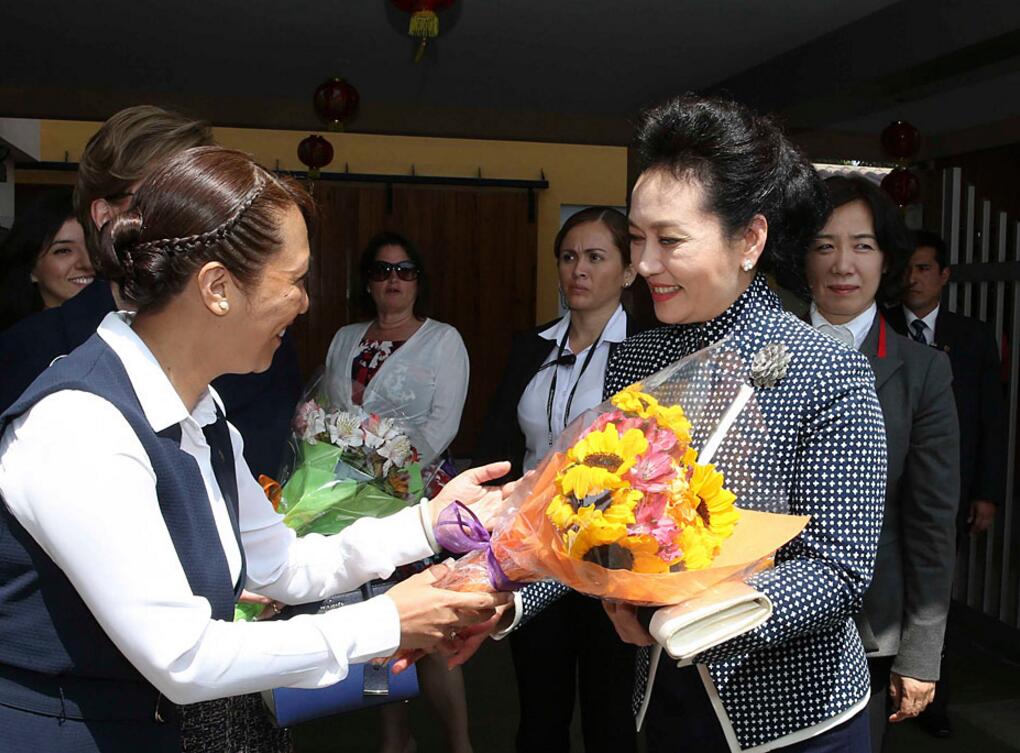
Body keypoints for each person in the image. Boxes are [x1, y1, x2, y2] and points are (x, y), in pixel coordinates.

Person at [0, 146, 513, 753]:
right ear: (217, 287)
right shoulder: (82, 425)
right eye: (294, 280)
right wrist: (385, 621)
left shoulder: (200, 412)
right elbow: (183, 656)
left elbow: (283, 565)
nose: (305, 302)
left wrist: (434, 523)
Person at [470, 95, 888, 753]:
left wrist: (687, 615)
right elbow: (595, 515)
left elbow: (836, 569)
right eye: (637, 239)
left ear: (749, 239)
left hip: (793, 716)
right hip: (662, 702)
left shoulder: (826, 369)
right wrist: (506, 587)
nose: (645, 265)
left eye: (670, 240)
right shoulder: (637, 356)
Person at [0, 105, 301, 479]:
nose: (194, 219)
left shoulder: (261, 337)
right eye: (168, 198)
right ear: (106, 215)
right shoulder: (28, 354)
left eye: (204, 200)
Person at [473, 206, 641, 753]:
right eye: (569, 257)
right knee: (539, 708)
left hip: (611, 559)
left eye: (596, 257)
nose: (579, 271)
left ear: (630, 269)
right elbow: (501, 443)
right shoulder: (532, 346)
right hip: (533, 550)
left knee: (609, 711)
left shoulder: (650, 349)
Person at [804, 175, 960, 751]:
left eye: (862, 245)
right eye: (824, 245)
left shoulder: (922, 371)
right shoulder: (764, 358)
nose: (843, 264)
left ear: (886, 259)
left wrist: (922, 652)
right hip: (758, 619)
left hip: (867, 630)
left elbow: (931, 519)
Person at [323, 231, 472, 753]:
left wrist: (390, 476)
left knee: (434, 627)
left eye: (405, 270)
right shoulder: (345, 338)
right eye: (384, 270)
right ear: (368, 281)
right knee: (381, 620)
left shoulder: (444, 340)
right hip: (350, 496)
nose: (394, 280)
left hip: (417, 496)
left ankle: (460, 743)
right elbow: (329, 415)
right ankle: (395, 740)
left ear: (418, 281)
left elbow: (442, 425)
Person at [884, 228, 1007, 738]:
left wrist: (987, 492)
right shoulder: (880, 328)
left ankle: (934, 703)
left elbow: (991, 421)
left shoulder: (973, 335)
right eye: (908, 268)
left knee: (936, 595)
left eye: (925, 269)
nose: (914, 278)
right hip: (888, 491)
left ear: (945, 276)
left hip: (946, 489)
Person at [0, 189, 92, 331]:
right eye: (64, 251)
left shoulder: (125, 330)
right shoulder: (17, 344)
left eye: (93, 246)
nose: (87, 263)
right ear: (31, 268)